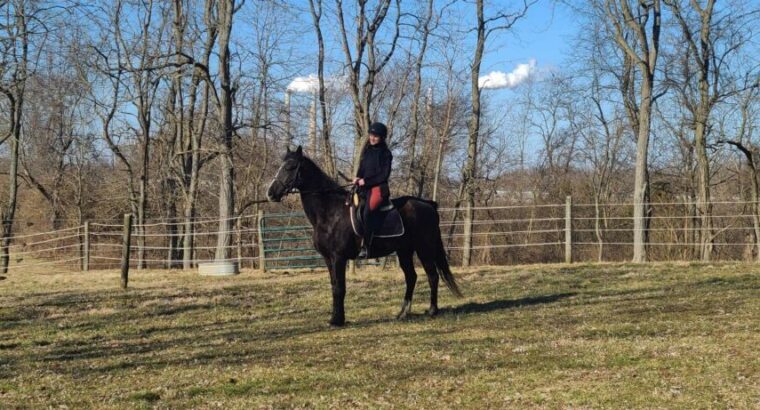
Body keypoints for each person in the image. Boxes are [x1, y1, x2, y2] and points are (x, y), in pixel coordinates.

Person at [353, 122, 393, 258]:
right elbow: (363, 167)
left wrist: (366, 181)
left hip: (378, 188)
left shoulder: (386, 154)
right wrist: (358, 177)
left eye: (376, 136)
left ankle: (366, 246)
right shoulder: (368, 150)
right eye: (371, 135)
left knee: (367, 212)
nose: (372, 138)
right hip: (364, 188)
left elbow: (384, 175)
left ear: (382, 137)